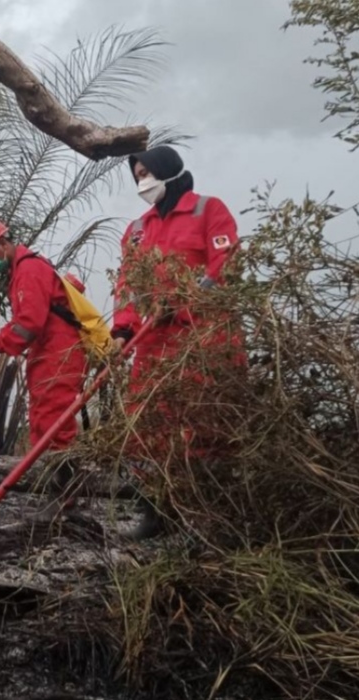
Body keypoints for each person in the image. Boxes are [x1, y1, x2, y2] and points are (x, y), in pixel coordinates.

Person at [111, 145, 246, 541]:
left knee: (204, 425)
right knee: (146, 426)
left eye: (146, 173)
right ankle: (155, 512)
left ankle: (210, 519)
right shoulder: (137, 230)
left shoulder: (208, 210)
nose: (142, 182)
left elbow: (225, 266)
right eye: (137, 177)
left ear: (166, 170)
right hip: (153, 345)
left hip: (203, 340)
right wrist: (122, 331)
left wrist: (181, 302)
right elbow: (127, 285)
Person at [0, 217, 88, 499]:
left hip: (58, 353)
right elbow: (24, 321)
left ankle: (65, 496)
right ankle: (55, 492)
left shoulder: (29, 269)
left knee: (55, 425)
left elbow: (28, 325)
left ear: (2, 244)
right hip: (48, 353)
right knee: (44, 422)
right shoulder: (22, 270)